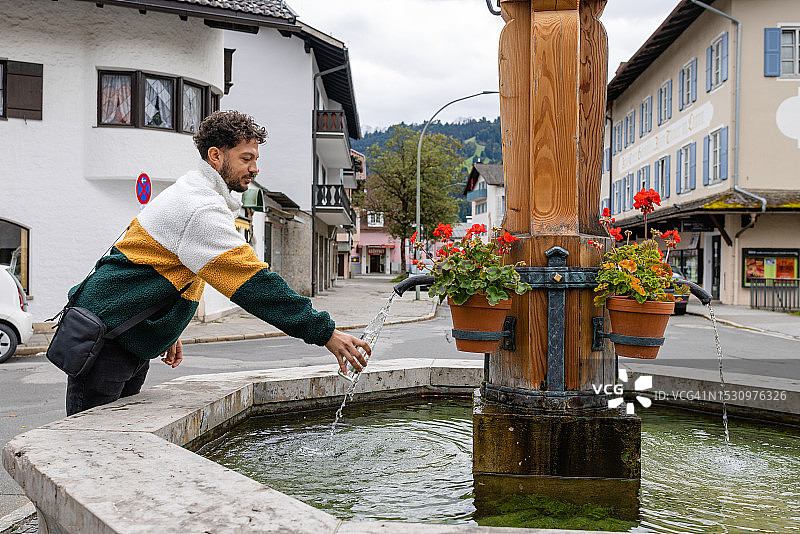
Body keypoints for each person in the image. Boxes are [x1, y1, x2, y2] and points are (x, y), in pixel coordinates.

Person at [65, 110, 369, 415]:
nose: (255, 168)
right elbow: (255, 285)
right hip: (105, 339)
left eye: (255, 159)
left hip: (127, 337)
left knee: (118, 439)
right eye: (246, 159)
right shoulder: (200, 208)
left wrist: (169, 329)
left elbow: (165, 267)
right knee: (87, 446)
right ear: (215, 156)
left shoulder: (195, 193)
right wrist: (326, 333)